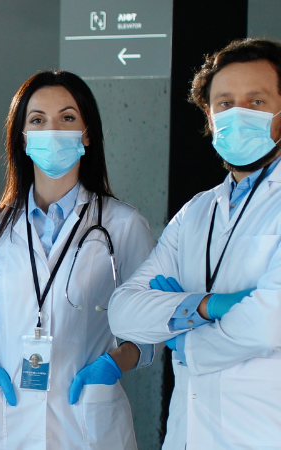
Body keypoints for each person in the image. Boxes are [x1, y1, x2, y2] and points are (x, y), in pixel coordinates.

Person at [0, 70, 155, 449]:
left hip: (87, 421)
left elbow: (148, 324)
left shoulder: (123, 224)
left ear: (86, 134)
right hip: (10, 418)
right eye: (38, 120)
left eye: (67, 118)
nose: (52, 130)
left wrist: (117, 361)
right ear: (22, 137)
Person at [109, 38, 281, 449]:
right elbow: (124, 311)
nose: (237, 114)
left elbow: (270, 320)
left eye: (256, 102)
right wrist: (203, 306)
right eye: (224, 103)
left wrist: (183, 338)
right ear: (209, 114)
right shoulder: (197, 212)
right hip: (189, 434)